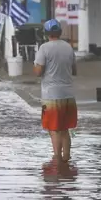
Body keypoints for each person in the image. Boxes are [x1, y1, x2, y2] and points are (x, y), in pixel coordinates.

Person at [34, 19, 77, 162]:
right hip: (68, 94)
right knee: (65, 129)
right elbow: (74, 70)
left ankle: (57, 159)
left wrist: (35, 66)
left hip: (51, 95)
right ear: (59, 32)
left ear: (46, 33)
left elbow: (38, 71)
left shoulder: (44, 48)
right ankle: (66, 158)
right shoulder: (68, 47)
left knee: (54, 129)